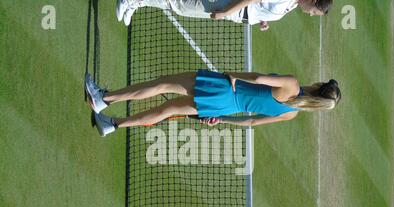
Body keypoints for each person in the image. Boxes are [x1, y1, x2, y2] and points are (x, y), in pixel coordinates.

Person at [84, 70, 341, 137]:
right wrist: (221, 119)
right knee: (164, 111)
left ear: (319, 86)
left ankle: (103, 98)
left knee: (163, 85)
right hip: (226, 108)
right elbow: (251, 121)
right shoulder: (291, 115)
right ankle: (113, 125)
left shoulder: (293, 85)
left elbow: (258, 78)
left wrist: (233, 76)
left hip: (225, 88)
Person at [116, 0, 333, 31]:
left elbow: (263, 6)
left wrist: (261, 19)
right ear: (313, 1)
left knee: (180, 5)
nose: (311, 15)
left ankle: (137, 3)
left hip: (240, 13)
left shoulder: (293, 4)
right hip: (230, 5)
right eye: (315, 12)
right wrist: (226, 12)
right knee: (181, 4)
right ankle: (131, 0)